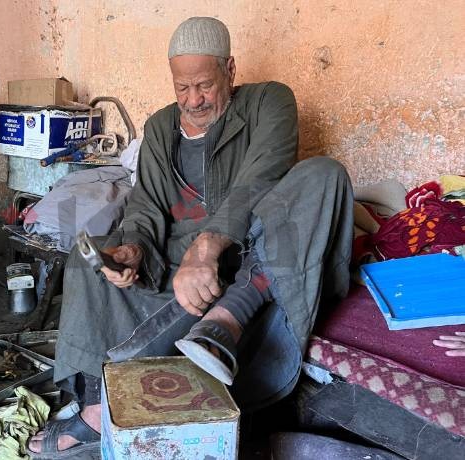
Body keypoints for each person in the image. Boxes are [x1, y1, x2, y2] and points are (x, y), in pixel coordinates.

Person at [28, 16, 354, 458]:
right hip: (177, 268)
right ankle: (95, 409)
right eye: (182, 87)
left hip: (251, 256)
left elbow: (260, 178)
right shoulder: (161, 127)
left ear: (230, 70)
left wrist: (208, 246)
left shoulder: (269, 101)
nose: (193, 100)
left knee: (324, 174)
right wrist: (134, 248)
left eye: (204, 85)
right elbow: (145, 204)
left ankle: (226, 321)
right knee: (90, 263)